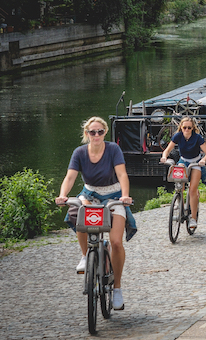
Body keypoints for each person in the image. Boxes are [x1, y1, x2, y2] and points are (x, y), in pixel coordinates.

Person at [55, 116, 135, 311]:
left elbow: (122, 174)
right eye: (93, 132)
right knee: (79, 211)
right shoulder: (80, 152)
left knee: (116, 242)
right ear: (87, 134)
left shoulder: (113, 150)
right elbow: (70, 176)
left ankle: (117, 289)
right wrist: (63, 195)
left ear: (105, 133)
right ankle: (85, 256)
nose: (96, 135)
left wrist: (125, 196)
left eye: (100, 132)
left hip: (113, 194)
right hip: (90, 194)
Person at [160, 117, 206, 230]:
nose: (187, 130)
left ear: (193, 128)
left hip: (195, 162)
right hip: (183, 161)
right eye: (184, 127)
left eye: (189, 127)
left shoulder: (198, 138)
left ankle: (193, 218)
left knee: (193, 190)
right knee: (179, 179)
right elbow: (167, 150)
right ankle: (179, 200)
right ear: (181, 128)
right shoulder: (178, 136)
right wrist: (164, 157)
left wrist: (203, 160)